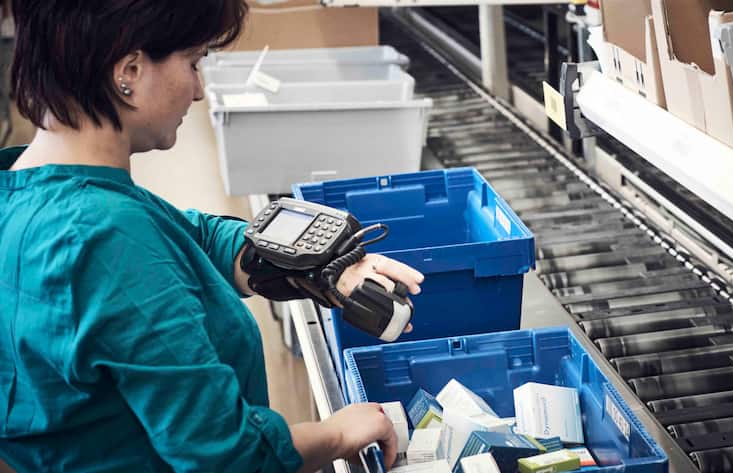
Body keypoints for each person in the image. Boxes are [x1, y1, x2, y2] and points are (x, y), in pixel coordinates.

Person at [0, 1, 424, 472]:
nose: (200, 90)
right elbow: (230, 457)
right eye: (193, 62)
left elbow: (191, 236)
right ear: (130, 72)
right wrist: (339, 432)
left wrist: (321, 266)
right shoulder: (106, 238)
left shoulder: (29, 191)